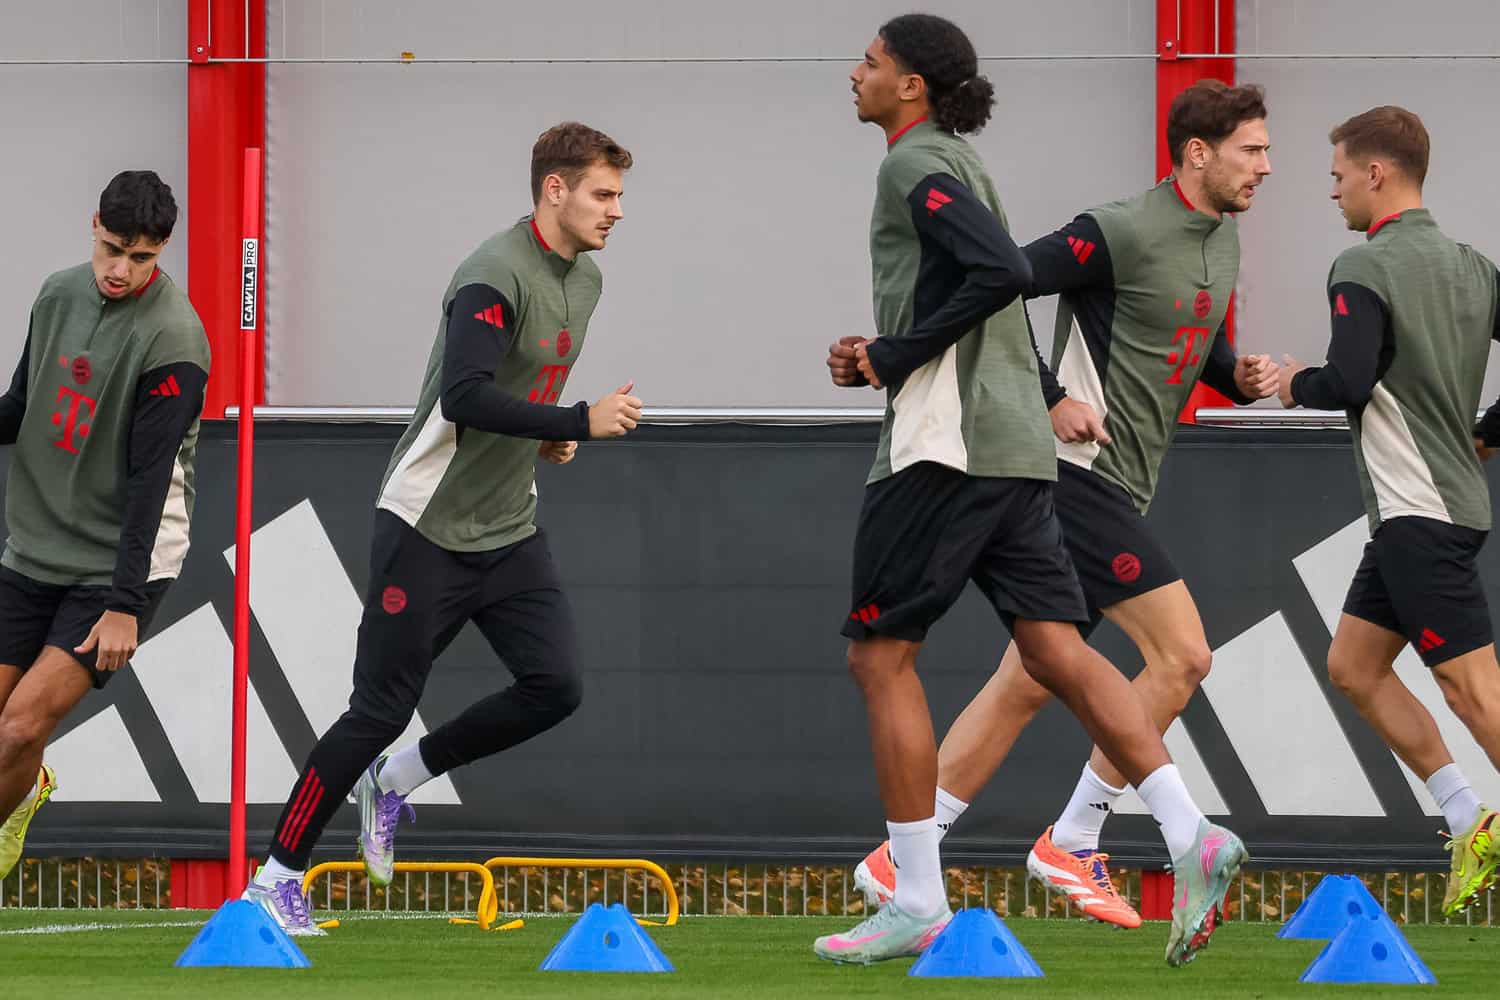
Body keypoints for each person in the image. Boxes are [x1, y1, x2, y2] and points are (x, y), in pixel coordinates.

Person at [814, 14, 1246, 968]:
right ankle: (1190, 833)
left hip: (946, 448)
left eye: (871, 62)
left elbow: (1003, 271)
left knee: (880, 661)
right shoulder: (966, 166)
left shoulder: (912, 164)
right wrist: (1007, 385)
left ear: (914, 85)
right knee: (1052, 650)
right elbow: (995, 292)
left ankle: (913, 890)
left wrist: (893, 353)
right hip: (1016, 450)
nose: (856, 74)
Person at [242, 122, 644, 935]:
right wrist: (575, 417)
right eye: (604, 194)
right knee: (378, 708)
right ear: (554, 190)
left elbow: (519, 389)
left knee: (555, 687)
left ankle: (399, 780)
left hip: (508, 528)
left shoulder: (589, 279)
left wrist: (549, 432)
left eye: (621, 197)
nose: (616, 212)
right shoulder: (492, 274)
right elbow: (462, 395)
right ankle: (274, 879)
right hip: (425, 525)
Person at [1278, 105, 1500, 916]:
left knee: (1473, 691)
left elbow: (1348, 380)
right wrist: (1488, 433)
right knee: (1355, 666)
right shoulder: (1475, 266)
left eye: (1338, 175)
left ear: (1377, 173)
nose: (1332, 192)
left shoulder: (1361, 266)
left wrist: (1289, 383)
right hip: (1437, 508)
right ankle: (1470, 820)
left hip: (1419, 511)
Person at [0, 170, 210, 881]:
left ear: (163, 249)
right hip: (32, 549)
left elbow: (151, 483)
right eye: (113, 249)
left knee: (21, 727)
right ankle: (24, 793)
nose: (122, 270)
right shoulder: (58, 292)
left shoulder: (176, 338)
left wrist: (125, 605)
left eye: (142, 257)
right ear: (94, 225)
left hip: (122, 564)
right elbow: (21, 406)